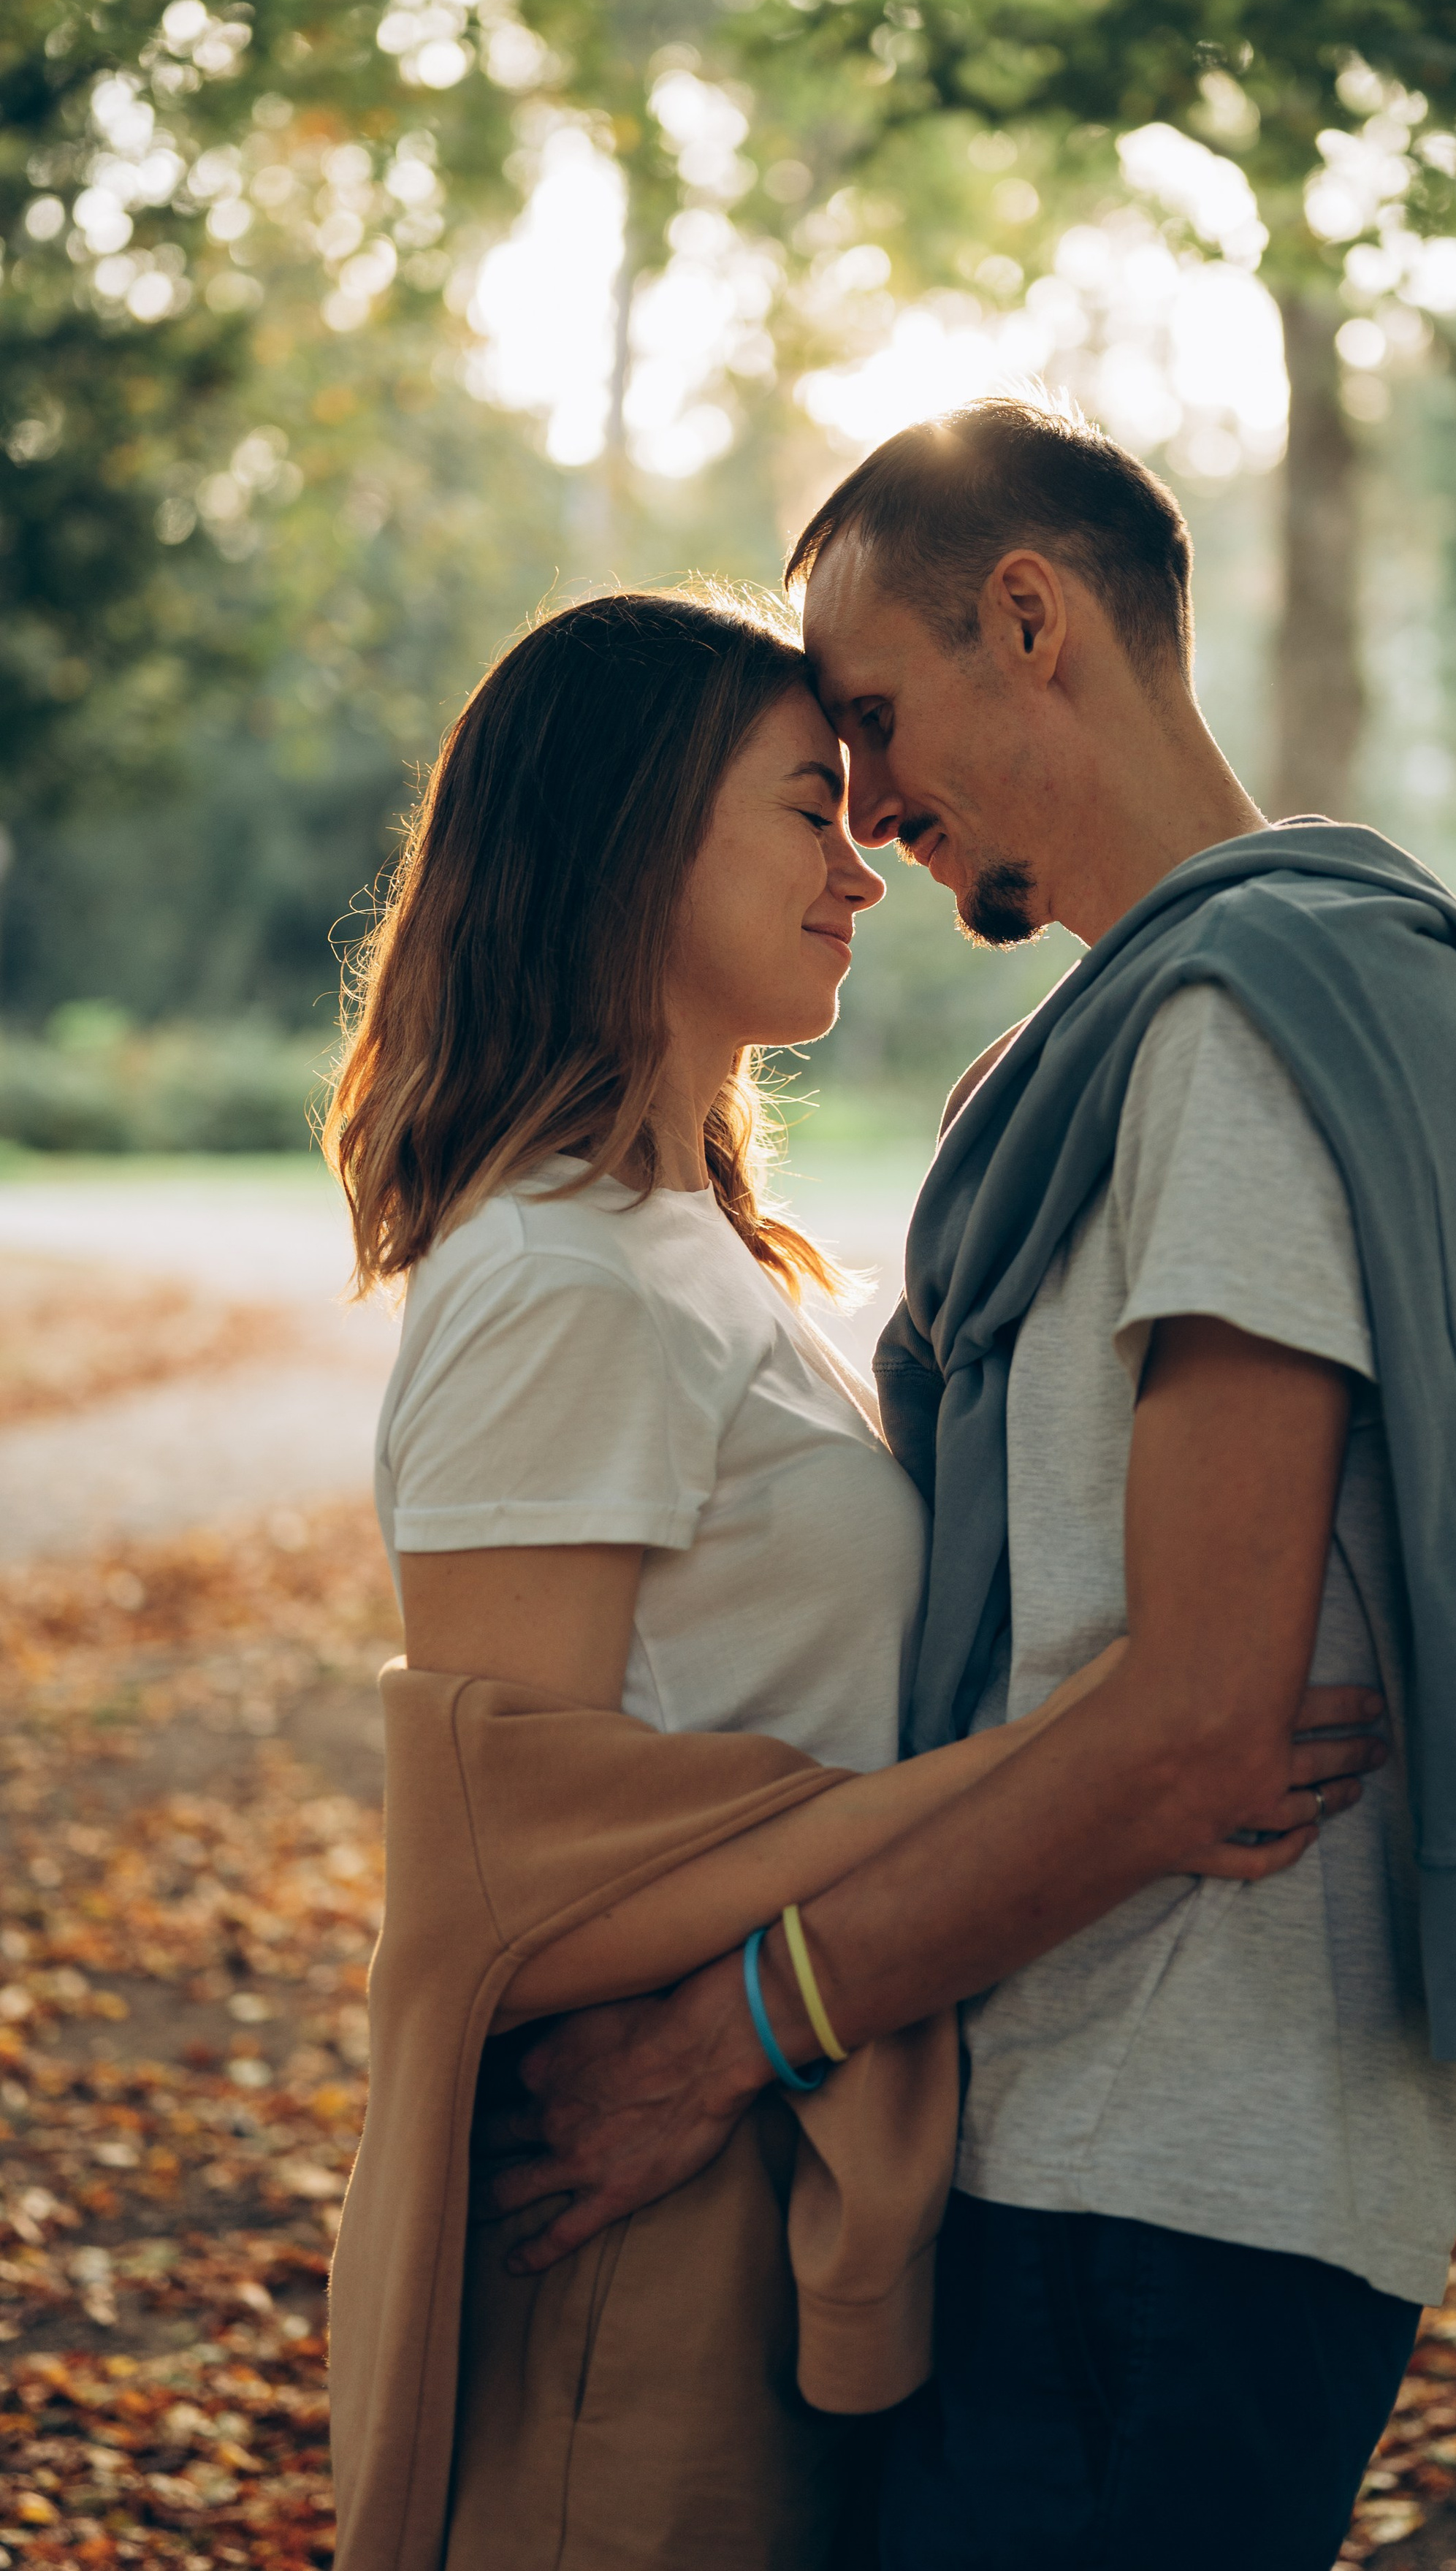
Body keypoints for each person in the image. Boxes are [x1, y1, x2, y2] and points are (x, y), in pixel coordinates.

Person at [492, 406, 1456, 2569]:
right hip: (1100, 2145)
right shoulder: (1176, 1028)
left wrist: (722, 2035)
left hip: (1164, 2174)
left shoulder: (1236, 1034)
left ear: (1030, 620)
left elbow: (1198, 1724)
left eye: (870, 718)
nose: (861, 813)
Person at [321, 584, 1384, 2571]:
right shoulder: (551, 1280)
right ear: (630, 843)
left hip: (763, 2162)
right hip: (620, 2222)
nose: (862, 869)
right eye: (808, 809)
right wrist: (1113, 1752)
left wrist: (1112, 1753)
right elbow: (521, 1887)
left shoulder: (701, 1255)